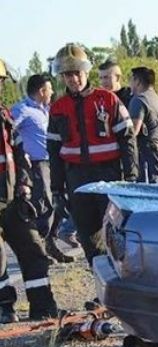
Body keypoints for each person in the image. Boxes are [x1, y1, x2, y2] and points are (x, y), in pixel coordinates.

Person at [47, 43, 138, 263]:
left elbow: (127, 140)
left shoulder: (108, 100)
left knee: (116, 235)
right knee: (89, 240)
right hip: (76, 179)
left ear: (86, 71)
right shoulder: (58, 108)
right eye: (67, 74)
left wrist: (131, 178)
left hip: (108, 177)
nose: (73, 79)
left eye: (76, 73)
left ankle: (122, 278)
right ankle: (99, 281)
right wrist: (57, 191)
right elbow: (54, 153)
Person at [0, 58, 60, 323]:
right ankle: (4, 308)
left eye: (1, 82)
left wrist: (24, 183)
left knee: (34, 250)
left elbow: (19, 151)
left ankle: (43, 307)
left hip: (12, 199)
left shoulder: (4, 115)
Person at [11, 74, 75, 263]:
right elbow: (8, 130)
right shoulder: (22, 109)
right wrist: (20, 152)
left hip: (55, 162)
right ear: (41, 91)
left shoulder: (47, 110)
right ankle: (39, 252)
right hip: (38, 165)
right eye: (50, 89)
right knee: (44, 206)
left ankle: (50, 243)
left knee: (60, 203)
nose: (53, 92)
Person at [129, 66, 158, 183]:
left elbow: (132, 132)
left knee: (149, 191)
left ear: (137, 81)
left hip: (149, 158)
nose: (130, 84)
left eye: (131, 80)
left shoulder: (139, 100)